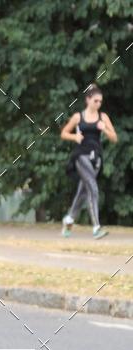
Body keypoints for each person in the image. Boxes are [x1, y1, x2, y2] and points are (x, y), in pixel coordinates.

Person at [61, 84, 118, 239]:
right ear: (88, 100)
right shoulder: (78, 117)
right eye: (95, 101)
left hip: (96, 157)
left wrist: (104, 129)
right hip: (81, 155)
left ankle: (69, 219)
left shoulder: (103, 117)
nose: (98, 104)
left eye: (100, 101)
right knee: (93, 188)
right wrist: (74, 136)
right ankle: (96, 227)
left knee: (83, 191)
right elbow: (64, 133)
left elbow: (114, 138)